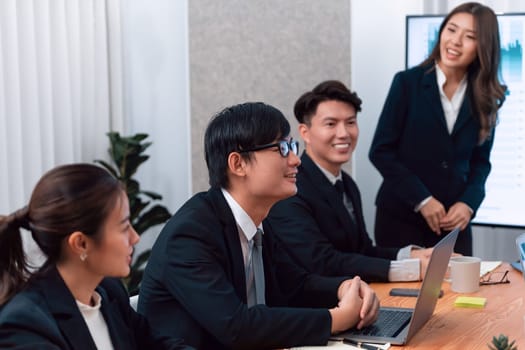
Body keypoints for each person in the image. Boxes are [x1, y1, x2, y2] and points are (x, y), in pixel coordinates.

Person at [138, 102, 380, 349]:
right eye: (283, 149)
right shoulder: (190, 234)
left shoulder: (258, 221)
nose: (296, 160)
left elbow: (295, 285)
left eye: (292, 146)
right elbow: (237, 326)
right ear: (238, 164)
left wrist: (344, 288)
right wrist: (335, 319)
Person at [0, 164, 192, 350]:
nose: (135, 238)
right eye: (124, 227)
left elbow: (160, 345)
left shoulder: (109, 292)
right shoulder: (25, 325)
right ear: (81, 243)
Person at [369, 2, 507, 256]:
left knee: (458, 294)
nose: (455, 41)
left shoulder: (486, 97)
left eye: (469, 37)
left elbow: (480, 163)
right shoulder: (407, 83)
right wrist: (422, 200)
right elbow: (381, 151)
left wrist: (468, 204)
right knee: (399, 295)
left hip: (454, 222)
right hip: (401, 216)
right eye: (451, 30)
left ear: (483, 47)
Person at [267, 80, 432, 283]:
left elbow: (362, 250)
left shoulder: (347, 184)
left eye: (350, 122)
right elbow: (320, 261)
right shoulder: (291, 188)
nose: (344, 133)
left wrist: (413, 256)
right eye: (331, 124)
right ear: (305, 133)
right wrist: (409, 270)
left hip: (356, 299)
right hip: (316, 309)